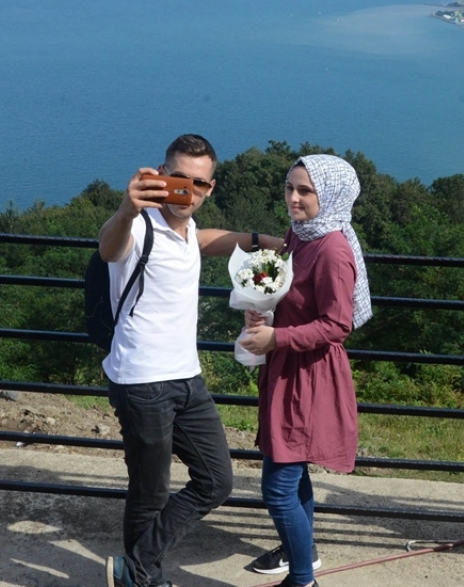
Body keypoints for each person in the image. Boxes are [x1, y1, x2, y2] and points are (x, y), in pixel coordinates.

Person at [98, 133, 280, 587]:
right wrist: (126, 208)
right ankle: (144, 578)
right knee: (150, 491)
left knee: (217, 480)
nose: (187, 191)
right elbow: (109, 248)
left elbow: (208, 241)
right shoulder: (138, 226)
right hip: (141, 381)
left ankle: (136, 567)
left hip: (186, 379)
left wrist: (267, 241)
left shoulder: (186, 231)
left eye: (198, 184)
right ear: (160, 176)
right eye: (178, 179)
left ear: (210, 187)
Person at [237, 154, 373, 587]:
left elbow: (338, 324)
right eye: (290, 188)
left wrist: (277, 338)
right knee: (292, 474)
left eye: (305, 191)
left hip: (309, 377)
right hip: (289, 369)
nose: (293, 199)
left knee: (278, 487)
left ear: (329, 196)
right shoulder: (300, 236)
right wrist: (261, 315)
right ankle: (304, 554)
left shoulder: (332, 249)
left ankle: (301, 580)